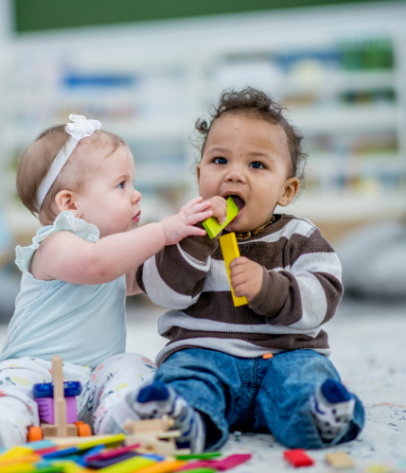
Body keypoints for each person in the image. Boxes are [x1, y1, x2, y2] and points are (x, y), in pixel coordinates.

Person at [0, 115, 214, 459]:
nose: (136, 194)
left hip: (95, 376)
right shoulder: (55, 244)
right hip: (34, 369)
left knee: (134, 365)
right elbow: (97, 265)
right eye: (121, 185)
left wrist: (188, 244)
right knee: (11, 397)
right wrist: (161, 231)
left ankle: (120, 416)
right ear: (70, 204)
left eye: (133, 182)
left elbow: (146, 278)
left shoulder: (112, 249)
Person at [129, 88, 365, 452]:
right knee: (184, 376)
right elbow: (161, 292)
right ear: (199, 173)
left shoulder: (299, 236)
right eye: (220, 161)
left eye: (256, 165)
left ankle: (321, 414)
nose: (234, 175)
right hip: (204, 354)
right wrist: (196, 241)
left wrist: (270, 289)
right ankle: (184, 420)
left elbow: (325, 296)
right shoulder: (182, 230)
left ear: (285, 190)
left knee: (307, 377)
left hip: (286, 355)